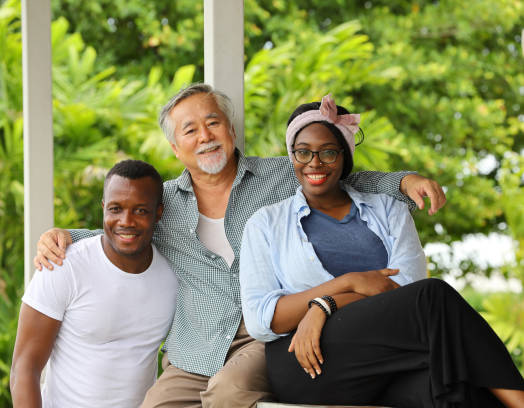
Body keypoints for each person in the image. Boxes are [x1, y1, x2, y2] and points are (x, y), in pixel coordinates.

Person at [33, 83, 448, 407]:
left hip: (270, 333)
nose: (205, 136)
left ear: (231, 130)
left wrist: (402, 181)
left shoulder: (281, 177)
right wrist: (65, 236)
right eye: (189, 130)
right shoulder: (163, 206)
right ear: (176, 148)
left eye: (213, 123)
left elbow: (344, 177)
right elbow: (122, 229)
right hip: (197, 347)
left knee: (229, 394)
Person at [239, 95, 524, 407]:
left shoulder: (388, 211)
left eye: (328, 152)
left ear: (345, 156)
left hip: (386, 362)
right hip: (308, 362)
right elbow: (262, 319)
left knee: (454, 390)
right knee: (434, 296)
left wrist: (324, 306)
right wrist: (346, 283)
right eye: (302, 152)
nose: (314, 163)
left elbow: (402, 291)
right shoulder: (265, 223)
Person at [10, 160, 178, 408]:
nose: (126, 221)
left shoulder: (172, 276)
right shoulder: (63, 265)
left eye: (140, 210)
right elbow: (24, 367)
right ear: (103, 208)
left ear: (159, 213)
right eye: (115, 209)